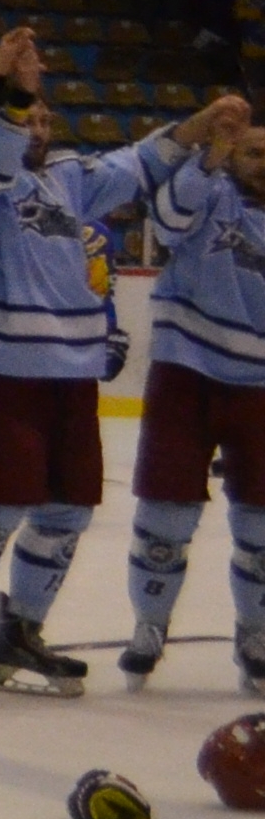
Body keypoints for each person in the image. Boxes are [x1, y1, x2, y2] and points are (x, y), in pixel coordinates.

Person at [0, 27, 230, 694]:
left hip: (72, 375)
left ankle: (21, 628)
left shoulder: (68, 179)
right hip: (2, 372)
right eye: (26, 115)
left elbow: (137, 165)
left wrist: (200, 126)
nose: (39, 126)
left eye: (47, 115)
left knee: (67, 512)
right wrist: (11, 105)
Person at [119, 103, 265, 692]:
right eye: (253, 152)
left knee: (260, 525)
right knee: (165, 514)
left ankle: (254, 633)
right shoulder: (207, 192)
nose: (262, 163)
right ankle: (149, 625)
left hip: (260, 383)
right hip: (186, 370)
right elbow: (168, 219)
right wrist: (209, 157)